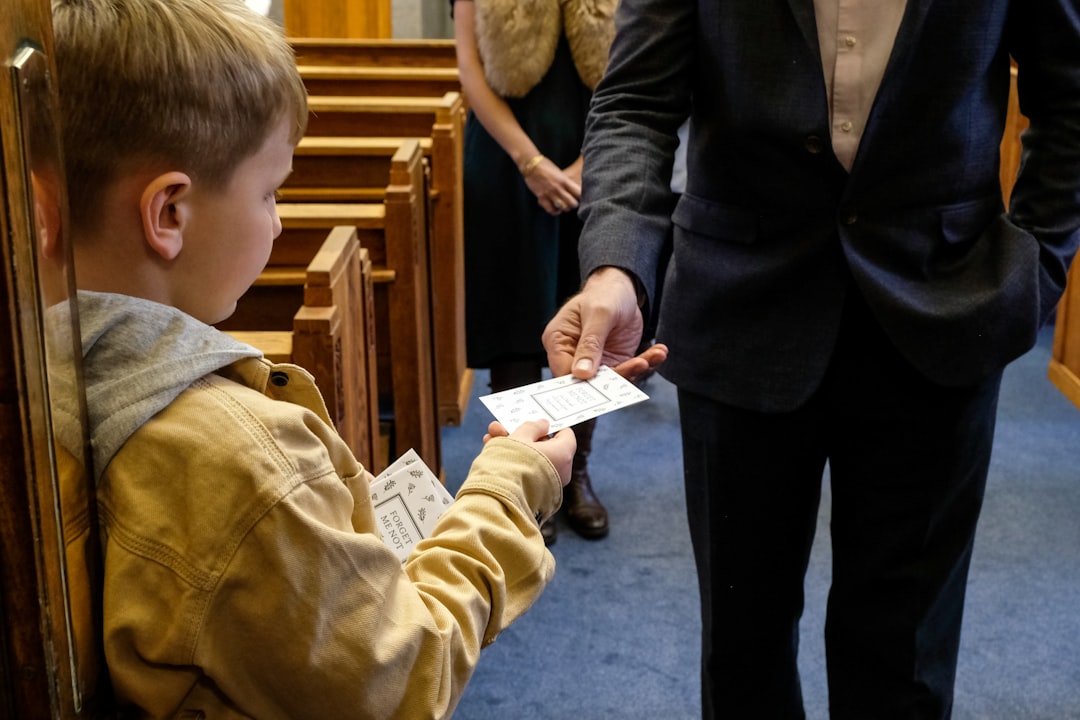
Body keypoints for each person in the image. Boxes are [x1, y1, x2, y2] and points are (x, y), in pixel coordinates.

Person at [542, 0, 1080, 717]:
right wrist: (617, 267)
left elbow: (1070, 95)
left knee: (905, 660)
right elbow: (637, 99)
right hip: (739, 308)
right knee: (742, 653)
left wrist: (1034, 269)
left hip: (942, 312)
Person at [48, 1, 580, 717]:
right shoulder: (246, 464)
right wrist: (509, 487)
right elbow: (401, 672)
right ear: (168, 214)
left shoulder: (39, 367)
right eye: (270, 192)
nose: (278, 219)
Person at [451, 0, 625, 545]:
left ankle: (575, 472)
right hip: (505, 163)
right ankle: (526, 472)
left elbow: (634, 78)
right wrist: (532, 164)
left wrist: (580, 168)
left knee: (590, 316)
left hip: (598, 158)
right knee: (514, 319)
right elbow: (472, 74)